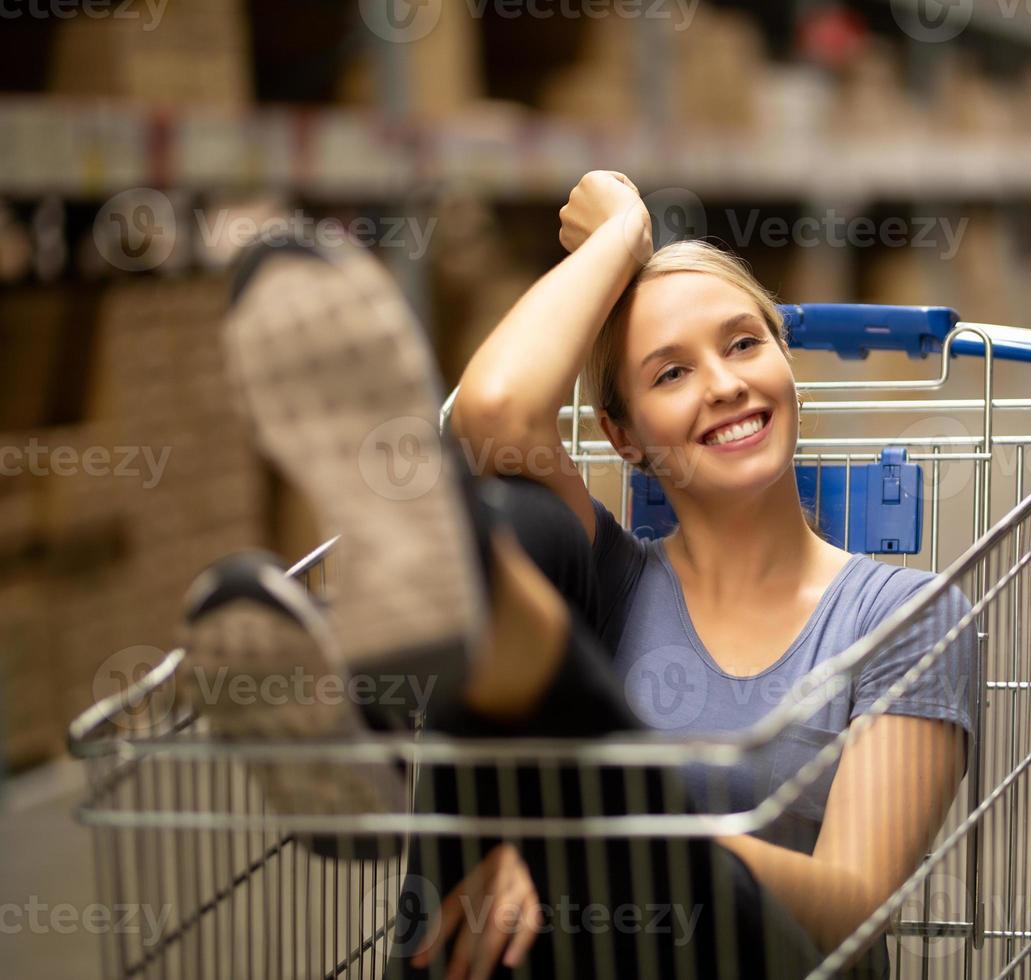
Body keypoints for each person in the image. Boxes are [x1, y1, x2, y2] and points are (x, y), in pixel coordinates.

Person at [183, 170, 977, 979]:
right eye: (671, 374)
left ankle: (389, 701)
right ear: (622, 438)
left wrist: (579, 854)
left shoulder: (905, 616)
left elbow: (852, 906)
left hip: (769, 963)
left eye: (744, 343)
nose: (727, 384)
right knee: (523, 528)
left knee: (495, 570)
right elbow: (493, 413)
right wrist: (622, 232)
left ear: (785, 364)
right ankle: (415, 660)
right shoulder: (608, 580)